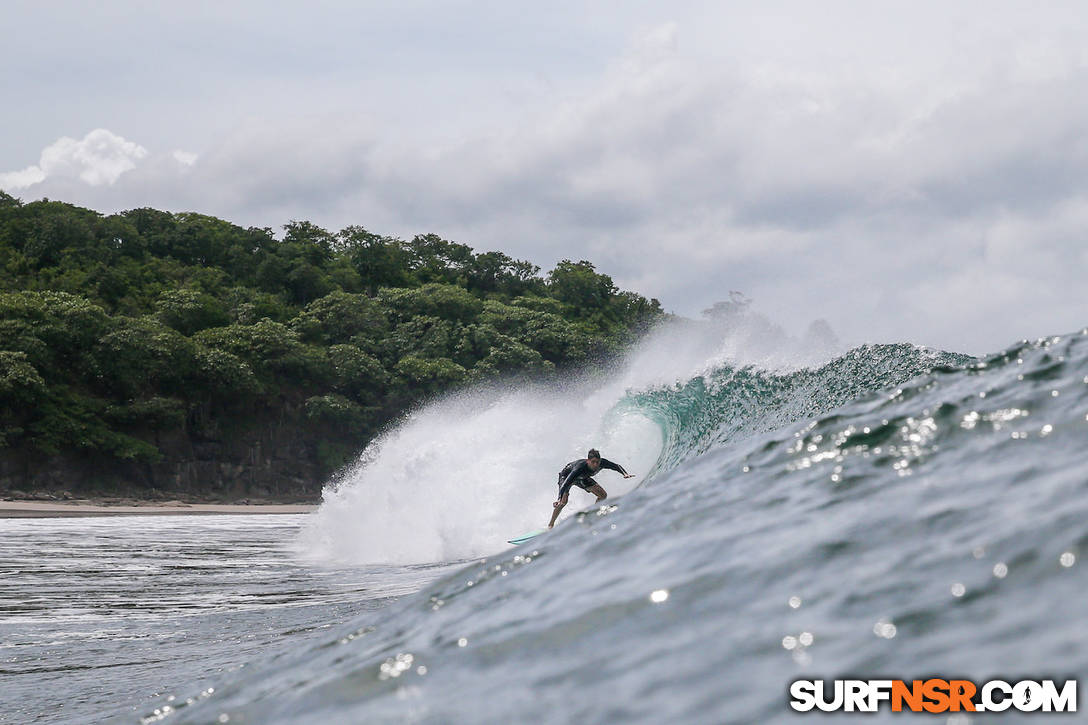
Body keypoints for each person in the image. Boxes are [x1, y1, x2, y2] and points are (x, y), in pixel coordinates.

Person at [548, 448, 634, 528]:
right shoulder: (579, 467)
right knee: (563, 502)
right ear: (588, 461)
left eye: (597, 462)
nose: (595, 464)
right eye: (593, 462)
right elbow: (566, 483)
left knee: (602, 495)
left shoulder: (602, 462)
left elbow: (616, 466)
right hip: (566, 476)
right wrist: (559, 498)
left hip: (582, 478)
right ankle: (551, 525)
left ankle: (595, 515)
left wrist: (625, 474)